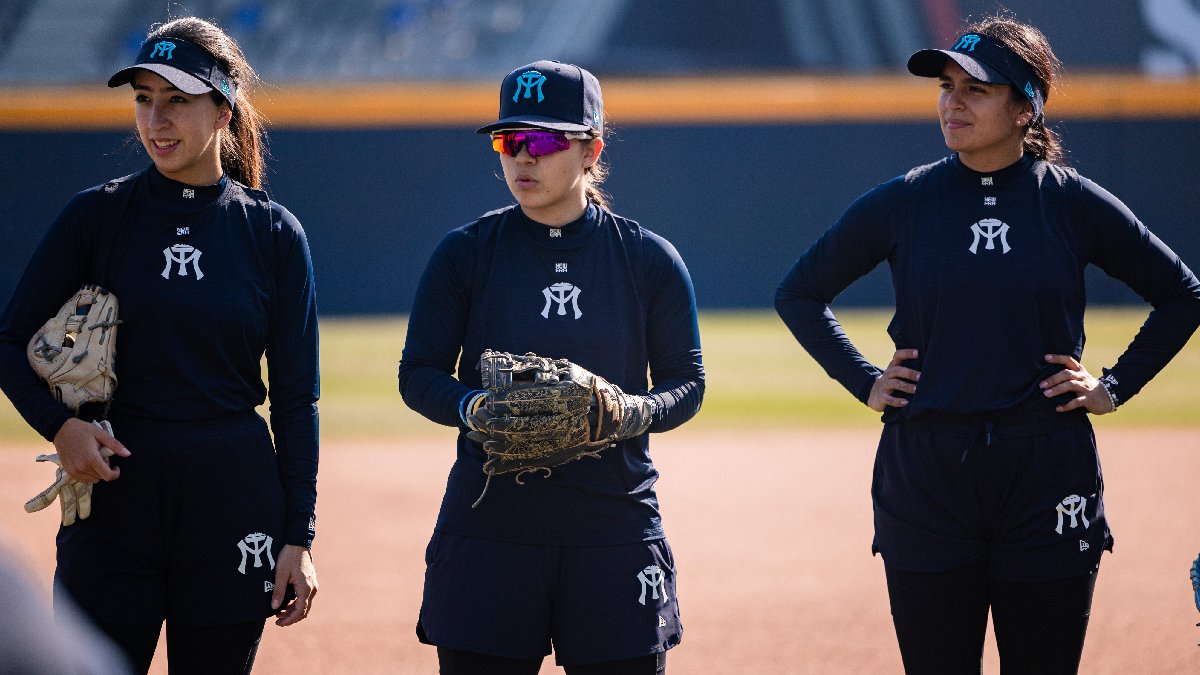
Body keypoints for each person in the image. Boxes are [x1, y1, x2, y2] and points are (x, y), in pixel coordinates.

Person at [774, 15, 1200, 675]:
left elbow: (1183, 293)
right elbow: (800, 292)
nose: (953, 101)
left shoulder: (1070, 203)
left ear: (1025, 104)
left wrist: (1113, 385)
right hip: (927, 474)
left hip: (1046, 471)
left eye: (977, 88)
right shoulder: (906, 201)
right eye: (947, 86)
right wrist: (864, 379)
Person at [0, 17, 319, 673]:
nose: (156, 118)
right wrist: (61, 427)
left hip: (232, 503)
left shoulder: (274, 235)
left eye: (177, 98)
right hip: (114, 504)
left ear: (223, 108)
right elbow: (9, 340)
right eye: (144, 98)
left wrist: (298, 535)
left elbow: (294, 399)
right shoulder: (97, 217)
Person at [399, 60, 704, 674]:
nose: (522, 159)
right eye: (508, 141)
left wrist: (634, 411)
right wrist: (476, 408)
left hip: (613, 530)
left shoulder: (647, 259)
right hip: (492, 529)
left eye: (541, 140)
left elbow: (688, 382)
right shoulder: (465, 254)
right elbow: (419, 372)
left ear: (591, 148)